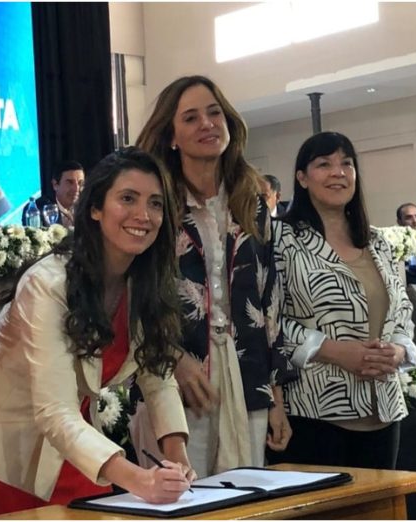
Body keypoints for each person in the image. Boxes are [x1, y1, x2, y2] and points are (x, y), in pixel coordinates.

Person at [0, 147, 194, 519]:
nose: (143, 215)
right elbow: (54, 410)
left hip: (72, 442)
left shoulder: (143, 282)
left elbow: (158, 376)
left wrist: (177, 458)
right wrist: (138, 479)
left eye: (155, 204)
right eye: (128, 199)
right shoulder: (48, 283)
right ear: (95, 208)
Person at [136, 75, 291, 478]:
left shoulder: (252, 202)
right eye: (190, 118)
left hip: (247, 374)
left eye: (214, 113)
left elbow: (269, 301)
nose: (207, 124)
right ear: (171, 136)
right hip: (174, 376)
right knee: (179, 492)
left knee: (246, 493)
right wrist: (173, 359)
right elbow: (134, 294)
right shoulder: (154, 204)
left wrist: (275, 394)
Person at [269, 131, 416, 470]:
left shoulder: (377, 241)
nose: (338, 172)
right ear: (302, 178)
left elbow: (402, 310)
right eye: (324, 164)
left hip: (383, 409)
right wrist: (333, 351)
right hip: (313, 410)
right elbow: (267, 319)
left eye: (346, 164)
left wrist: (398, 350)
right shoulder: (280, 238)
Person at [21, 160, 85, 227]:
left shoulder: (88, 207)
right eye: (70, 182)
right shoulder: (37, 210)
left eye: (80, 183)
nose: (76, 189)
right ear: (55, 185)